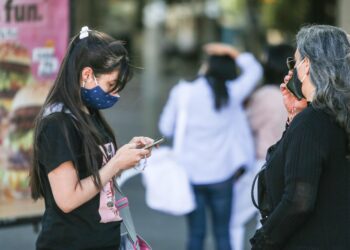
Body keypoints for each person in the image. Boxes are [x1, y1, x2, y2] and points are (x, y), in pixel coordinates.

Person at [29, 26, 154, 250]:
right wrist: (116, 163)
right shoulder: (57, 124)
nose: (115, 95)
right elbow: (67, 200)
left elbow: (96, 175)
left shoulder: (90, 115)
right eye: (111, 85)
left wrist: (126, 156)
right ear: (87, 74)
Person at [250, 24, 350, 249]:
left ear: (306, 65)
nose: (291, 71)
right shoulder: (333, 115)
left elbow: (298, 200)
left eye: (293, 63)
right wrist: (295, 117)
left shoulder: (313, 122)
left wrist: (262, 241)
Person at [159, 43, 262, 250]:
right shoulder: (232, 93)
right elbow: (255, 70)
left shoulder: (183, 92)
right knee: (222, 233)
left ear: (206, 67)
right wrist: (233, 52)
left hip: (191, 174)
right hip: (223, 176)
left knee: (196, 234)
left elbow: (165, 127)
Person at [231, 44, 294, 250]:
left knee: (236, 219)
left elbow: (245, 125)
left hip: (262, 164)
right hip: (288, 163)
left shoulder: (265, 95)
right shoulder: (296, 94)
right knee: (272, 221)